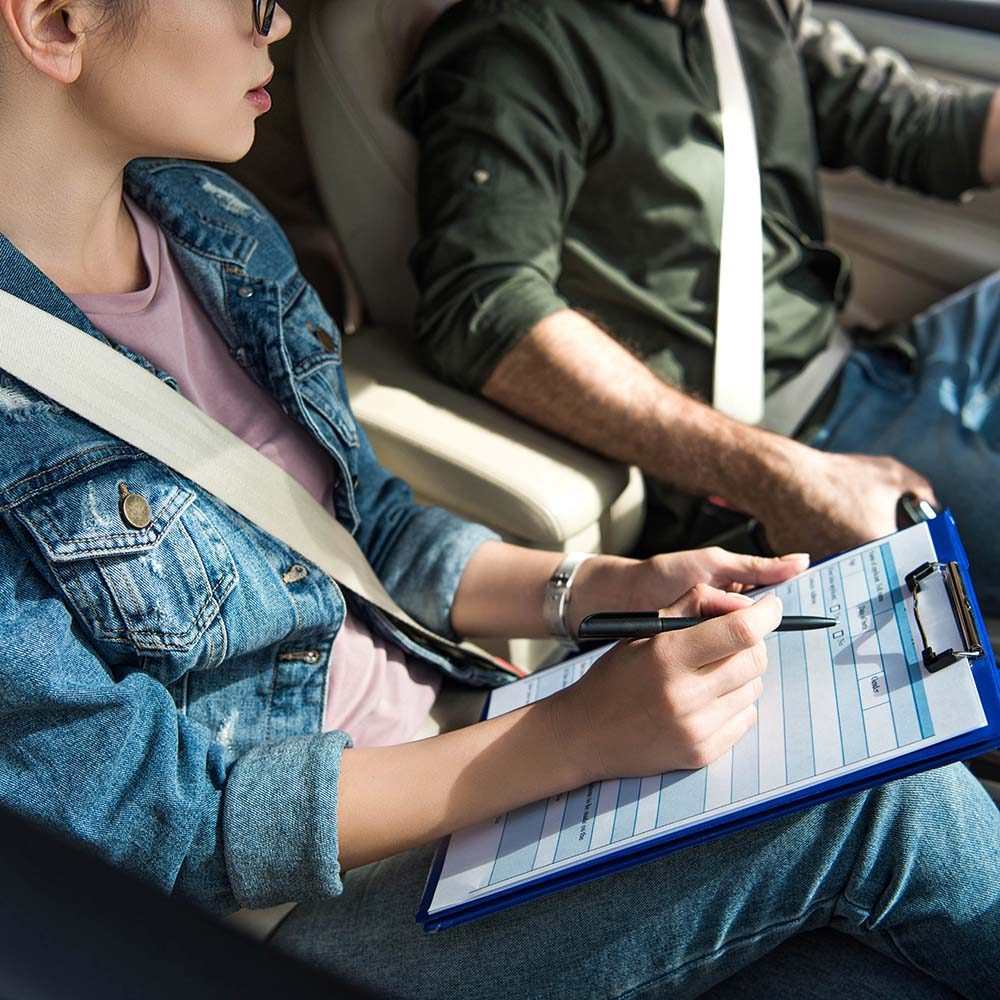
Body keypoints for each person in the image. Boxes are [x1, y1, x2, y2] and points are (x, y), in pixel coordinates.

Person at [0, 2, 997, 997]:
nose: (282, 23)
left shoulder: (211, 228)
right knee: (865, 797)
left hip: (468, 740)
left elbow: (370, 524)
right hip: (289, 911)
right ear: (53, 23)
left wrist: (611, 582)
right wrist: (567, 738)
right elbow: (159, 824)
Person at [398, 0, 1000, 615]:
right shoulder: (520, 39)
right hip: (786, 441)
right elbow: (486, 310)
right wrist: (780, 477)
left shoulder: (744, 13)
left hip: (879, 357)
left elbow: (906, 122)